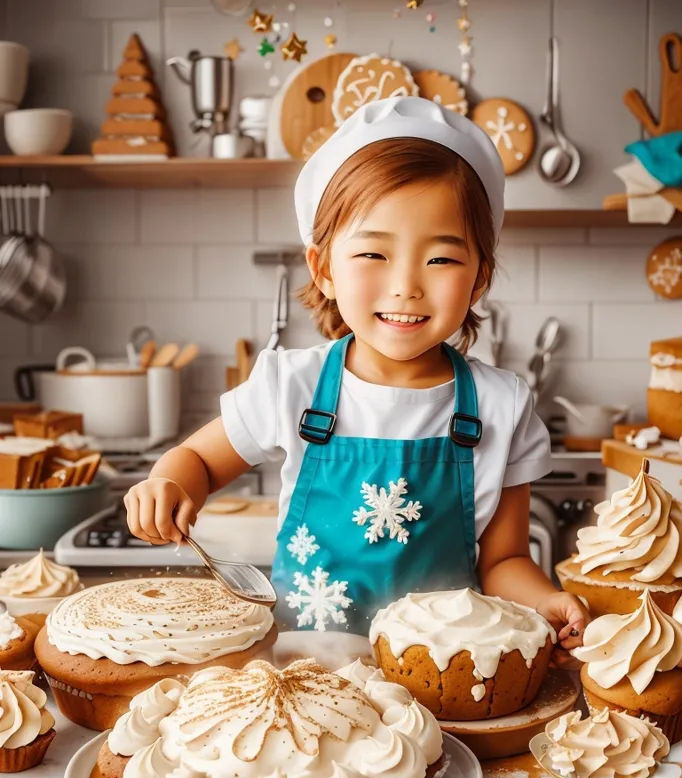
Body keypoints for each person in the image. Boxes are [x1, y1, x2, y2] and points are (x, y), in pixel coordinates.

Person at [124, 96, 586, 663]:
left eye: (440, 260)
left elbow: (503, 562)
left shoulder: (501, 406)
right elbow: (195, 461)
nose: (406, 286)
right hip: (304, 677)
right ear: (324, 269)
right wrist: (168, 485)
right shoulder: (290, 385)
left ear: (480, 276)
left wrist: (544, 599)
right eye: (373, 254)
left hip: (441, 683)